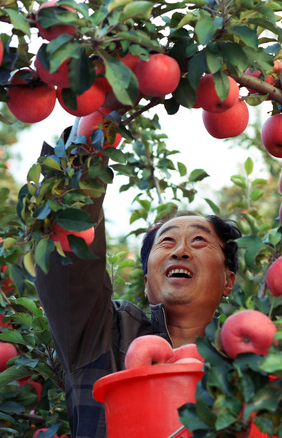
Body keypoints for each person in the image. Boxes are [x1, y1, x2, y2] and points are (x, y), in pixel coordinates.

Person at [34, 138, 242, 438]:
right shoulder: (105, 335)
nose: (180, 251)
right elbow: (71, 267)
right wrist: (87, 147)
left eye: (198, 241)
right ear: (147, 284)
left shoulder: (246, 361)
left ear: (228, 281)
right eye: (167, 241)